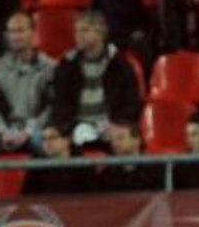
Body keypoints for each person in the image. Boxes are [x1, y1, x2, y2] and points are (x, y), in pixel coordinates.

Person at [51, 9, 143, 150]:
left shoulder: (119, 64)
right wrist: (69, 127)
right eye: (76, 31)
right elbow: (60, 103)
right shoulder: (67, 65)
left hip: (112, 125)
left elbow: (131, 101)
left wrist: (117, 124)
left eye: (85, 31)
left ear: (100, 32)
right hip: (78, 126)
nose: (78, 36)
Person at [0, 12, 56, 160]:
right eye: (11, 31)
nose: (15, 36)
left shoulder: (49, 67)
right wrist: (1, 132)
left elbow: (50, 107)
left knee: (41, 143)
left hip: (36, 129)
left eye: (20, 31)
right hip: (6, 130)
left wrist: (29, 131)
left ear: (33, 33)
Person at [21, 121, 98, 195]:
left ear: (67, 140)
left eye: (52, 137)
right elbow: (27, 196)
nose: (47, 143)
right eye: (44, 139)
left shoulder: (82, 165)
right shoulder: (37, 164)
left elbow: (93, 197)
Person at [97, 120, 163, 192]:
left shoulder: (155, 170)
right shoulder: (108, 172)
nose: (114, 143)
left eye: (120, 137)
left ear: (137, 139)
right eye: (112, 139)